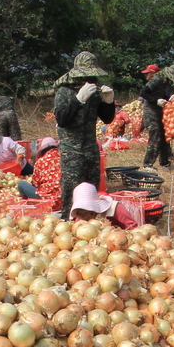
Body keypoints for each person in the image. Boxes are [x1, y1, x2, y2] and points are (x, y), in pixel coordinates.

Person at [54, 52, 117, 218]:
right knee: (72, 189)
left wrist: (109, 102)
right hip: (71, 150)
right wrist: (78, 100)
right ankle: (67, 222)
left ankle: (91, 224)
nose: (91, 80)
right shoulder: (64, 92)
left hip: (90, 147)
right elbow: (62, 119)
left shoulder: (95, 92)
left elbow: (107, 118)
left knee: (90, 190)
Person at [139, 62, 174, 169]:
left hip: (159, 112)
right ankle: (147, 164)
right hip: (150, 112)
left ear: (152, 73)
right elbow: (143, 93)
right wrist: (155, 101)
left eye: (147, 73)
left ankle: (164, 162)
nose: (146, 76)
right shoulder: (156, 80)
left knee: (163, 137)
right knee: (155, 136)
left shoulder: (162, 80)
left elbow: (163, 94)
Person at [69, 182, 141, 229]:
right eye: (80, 213)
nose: (85, 217)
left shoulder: (115, 209)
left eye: (89, 212)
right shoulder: (80, 219)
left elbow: (134, 229)